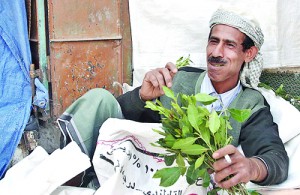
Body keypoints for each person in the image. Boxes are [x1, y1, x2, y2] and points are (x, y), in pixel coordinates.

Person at [58, 8, 288, 190]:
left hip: (188, 185)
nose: (216, 53)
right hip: (140, 172)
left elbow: (275, 158)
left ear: (249, 53)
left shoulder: (249, 103)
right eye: (213, 41)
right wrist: (141, 97)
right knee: (99, 99)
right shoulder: (181, 80)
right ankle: (73, 181)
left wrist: (252, 167)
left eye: (229, 45)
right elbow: (116, 119)